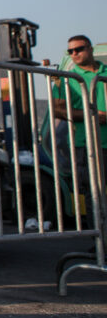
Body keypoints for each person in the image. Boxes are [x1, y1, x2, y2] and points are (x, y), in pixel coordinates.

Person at [51, 35, 107, 215]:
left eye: (79, 49)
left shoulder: (105, 73)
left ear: (90, 49)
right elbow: (57, 110)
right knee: (94, 193)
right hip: (86, 145)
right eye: (70, 51)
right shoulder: (67, 78)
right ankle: (100, 239)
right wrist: (91, 115)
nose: (74, 54)